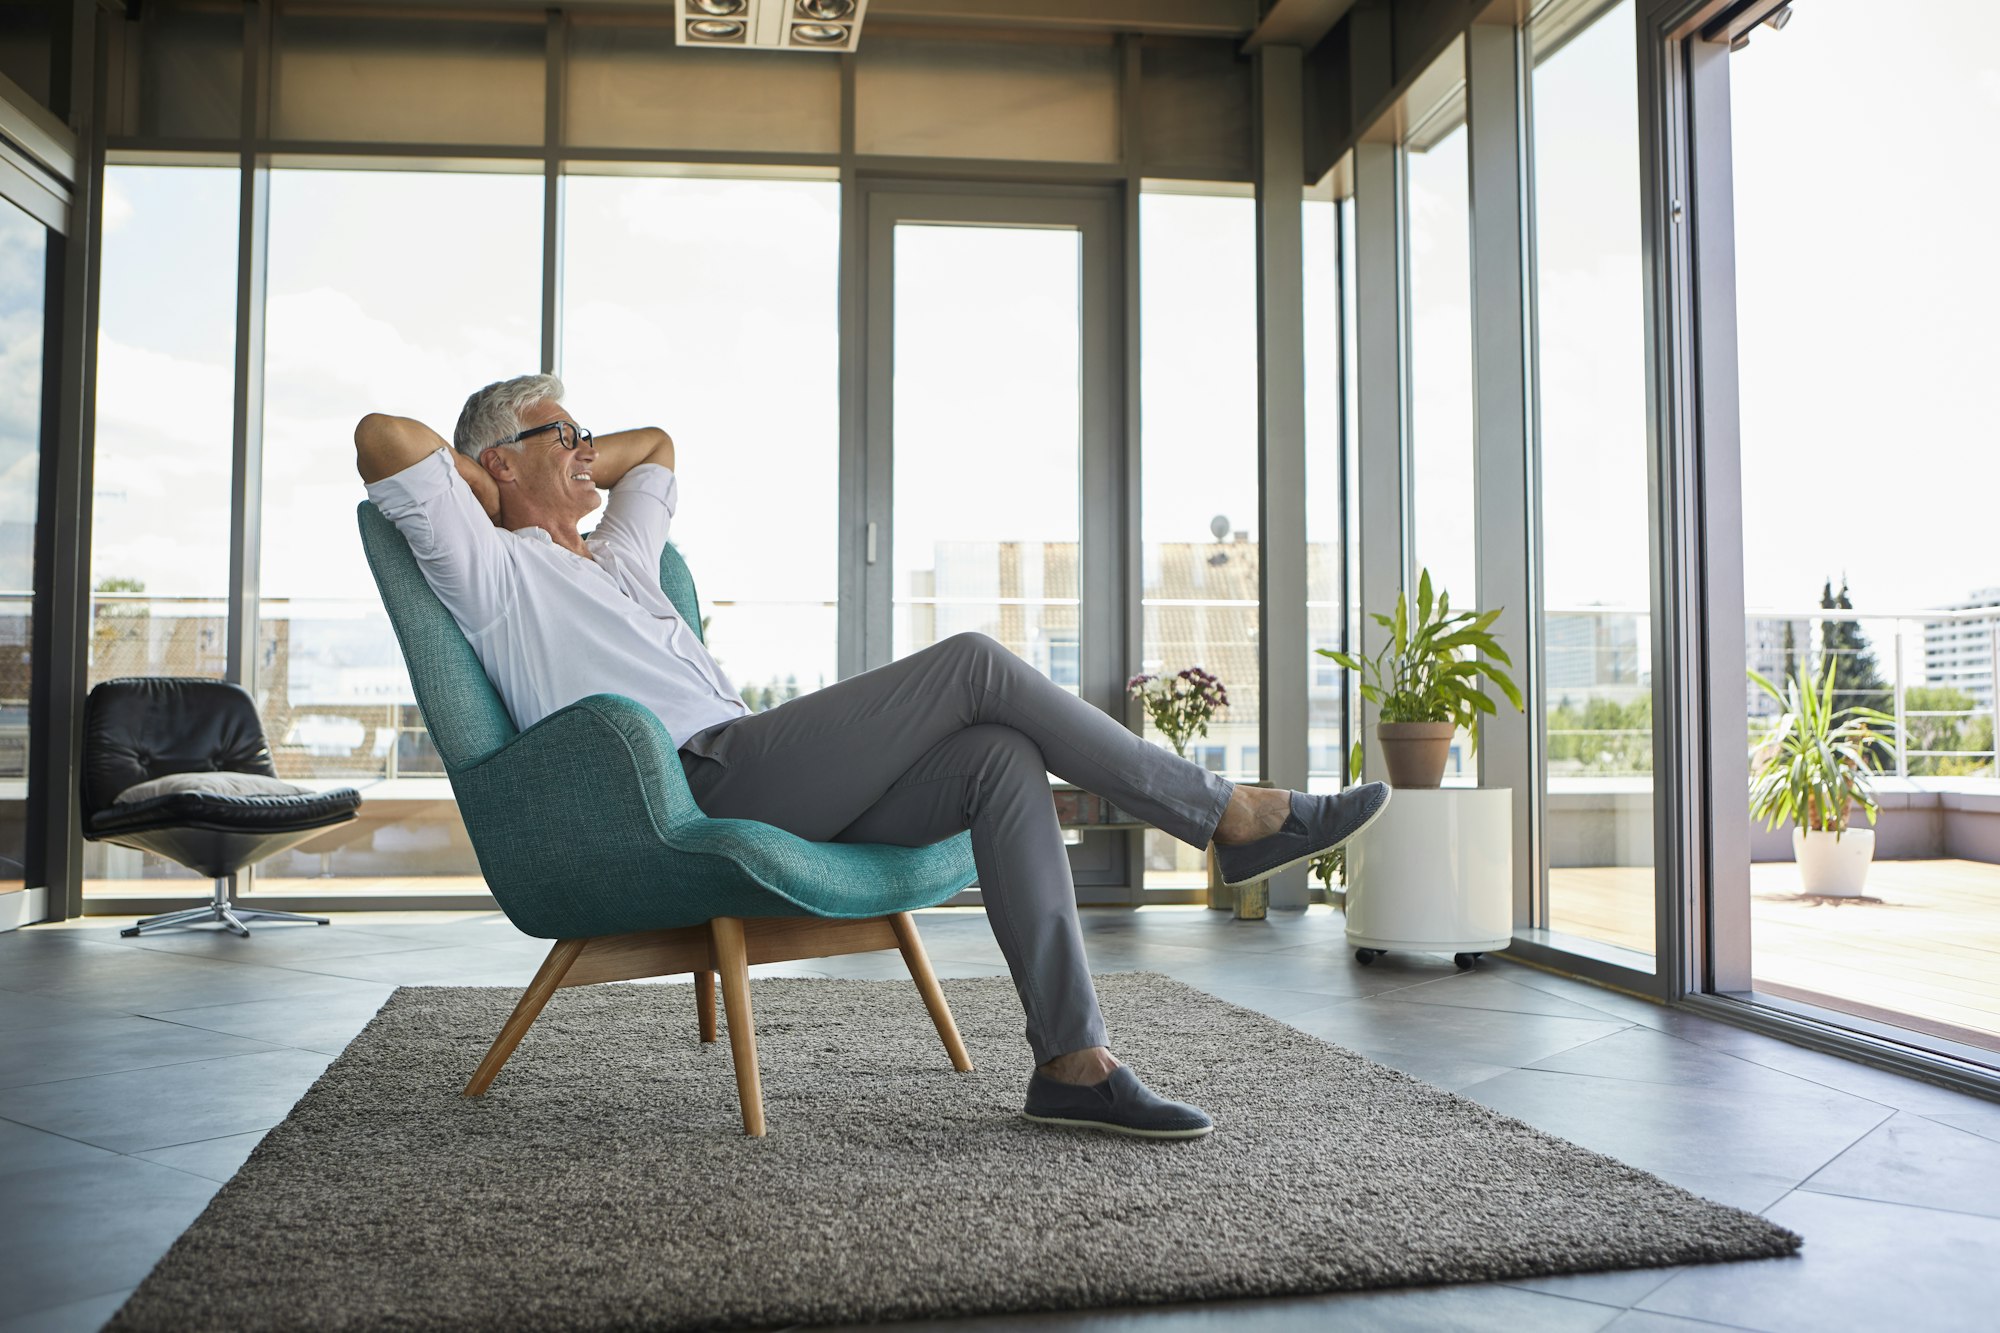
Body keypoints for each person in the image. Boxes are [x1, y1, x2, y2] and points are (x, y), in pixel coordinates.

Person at [356, 373, 1390, 1140]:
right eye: (565, 433)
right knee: (975, 663)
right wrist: (493, 484)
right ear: (494, 464)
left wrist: (558, 451)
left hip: (767, 769)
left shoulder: (620, 551)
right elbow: (380, 435)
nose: (590, 448)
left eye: (589, 433)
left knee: (994, 756)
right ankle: (1224, 815)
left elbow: (662, 442)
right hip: (689, 779)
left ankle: (1073, 1064)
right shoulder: (490, 567)